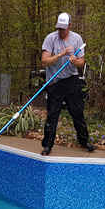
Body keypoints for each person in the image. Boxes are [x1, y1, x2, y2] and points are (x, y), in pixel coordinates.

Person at [40, 12, 96, 156]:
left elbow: (81, 62)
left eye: (64, 28)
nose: (61, 31)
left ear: (70, 26)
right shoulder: (50, 39)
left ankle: (84, 141)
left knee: (77, 112)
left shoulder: (77, 39)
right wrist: (60, 55)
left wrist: (74, 61)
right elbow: (44, 61)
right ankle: (47, 145)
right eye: (59, 28)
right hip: (54, 81)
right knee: (53, 115)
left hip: (71, 79)